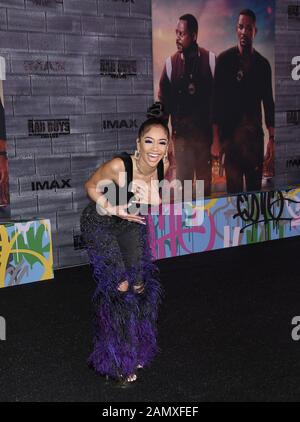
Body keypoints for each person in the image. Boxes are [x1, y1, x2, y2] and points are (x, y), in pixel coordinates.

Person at [80, 116, 170, 384]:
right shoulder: (120, 165)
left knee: (140, 285)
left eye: (162, 142)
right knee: (119, 286)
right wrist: (113, 207)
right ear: (138, 144)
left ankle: (139, 347)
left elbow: (155, 199)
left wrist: (153, 196)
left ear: (167, 146)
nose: (155, 148)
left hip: (130, 224)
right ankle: (116, 359)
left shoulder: (163, 165)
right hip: (101, 222)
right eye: (149, 141)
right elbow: (89, 187)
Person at [211, 8, 275, 194]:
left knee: (255, 194)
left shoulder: (263, 65)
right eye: (240, 27)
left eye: (248, 28)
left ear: (255, 31)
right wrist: (215, 140)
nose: (244, 32)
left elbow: (268, 104)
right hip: (230, 142)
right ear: (236, 29)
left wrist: (272, 139)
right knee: (234, 195)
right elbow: (216, 103)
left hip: (254, 141)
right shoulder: (224, 60)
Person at [158, 13, 216, 197]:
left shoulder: (211, 61)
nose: (177, 37)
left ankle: (205, 225)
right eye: (176, 33)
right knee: (183, 195)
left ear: (194, 36)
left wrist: (217, 140)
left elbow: (219, 104)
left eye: (181, 34)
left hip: (204, 143)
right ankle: (187, 225)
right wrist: (165, 142)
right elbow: (163, 108)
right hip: (181, 143)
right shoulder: (170, 65)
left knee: (204, 194)